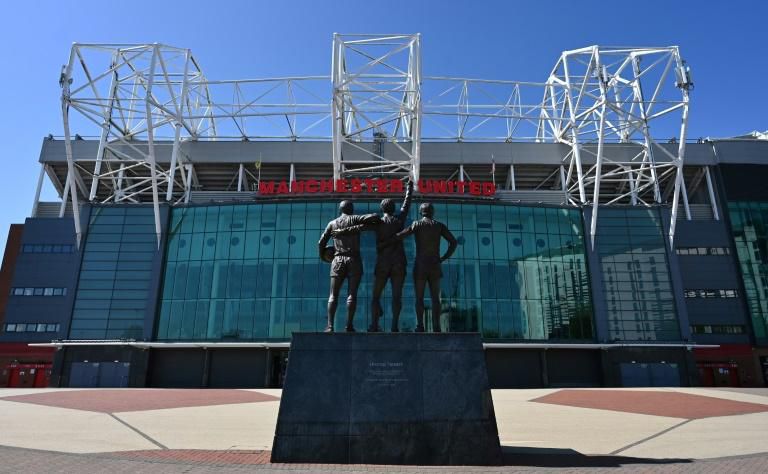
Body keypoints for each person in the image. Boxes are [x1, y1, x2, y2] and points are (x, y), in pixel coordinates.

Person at [331, 179, 413, 332]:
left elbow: (359, 227)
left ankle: (374, 325)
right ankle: (395, 326)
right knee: (397, 296)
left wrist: (342, 231)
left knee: (376, 296)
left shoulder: (378, 223)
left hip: (383, 263)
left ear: (382, 209)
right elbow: (406, 204)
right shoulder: (399, 219)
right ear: (393, 208)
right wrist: (409, 188)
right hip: (399, 263)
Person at [390, 203, 457, 332]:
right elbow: (453, 242)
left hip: (421, 264)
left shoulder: (417, 224)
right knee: (435, 298)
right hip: (435, 264)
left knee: (419, 297)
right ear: (432, 212)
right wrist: (443, 257)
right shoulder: (439, 226)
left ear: (421, 212)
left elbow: (402, 235)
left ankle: (420, 326)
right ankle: (436, 327)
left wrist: (388, 238)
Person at [317, 202, 379, 332]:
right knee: (352, 294)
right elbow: (374, 217)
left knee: (333, 295)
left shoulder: (332, 223)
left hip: (337, 260)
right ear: (351, 209)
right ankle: (349, 325)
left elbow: (321, 242)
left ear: (340, 209)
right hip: (354, 260)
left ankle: (330, 326)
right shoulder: (355, 218)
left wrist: (323, 256)